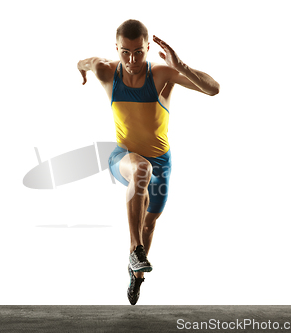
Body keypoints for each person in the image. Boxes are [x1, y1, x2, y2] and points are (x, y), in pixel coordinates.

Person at [77, 19, 219, 305]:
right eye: (125, 53)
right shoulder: (105, 70)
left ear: (148, 48)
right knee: (142, 169)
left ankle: (136, 275)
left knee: (151, 221)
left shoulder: (163, 74)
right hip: (124, 158)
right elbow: (83, 62)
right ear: (116, 48)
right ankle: (134, 249)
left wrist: (180, 65)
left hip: (162, 161)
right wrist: (82, 72)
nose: (132, 60)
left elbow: (213, 89)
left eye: (139, 52)